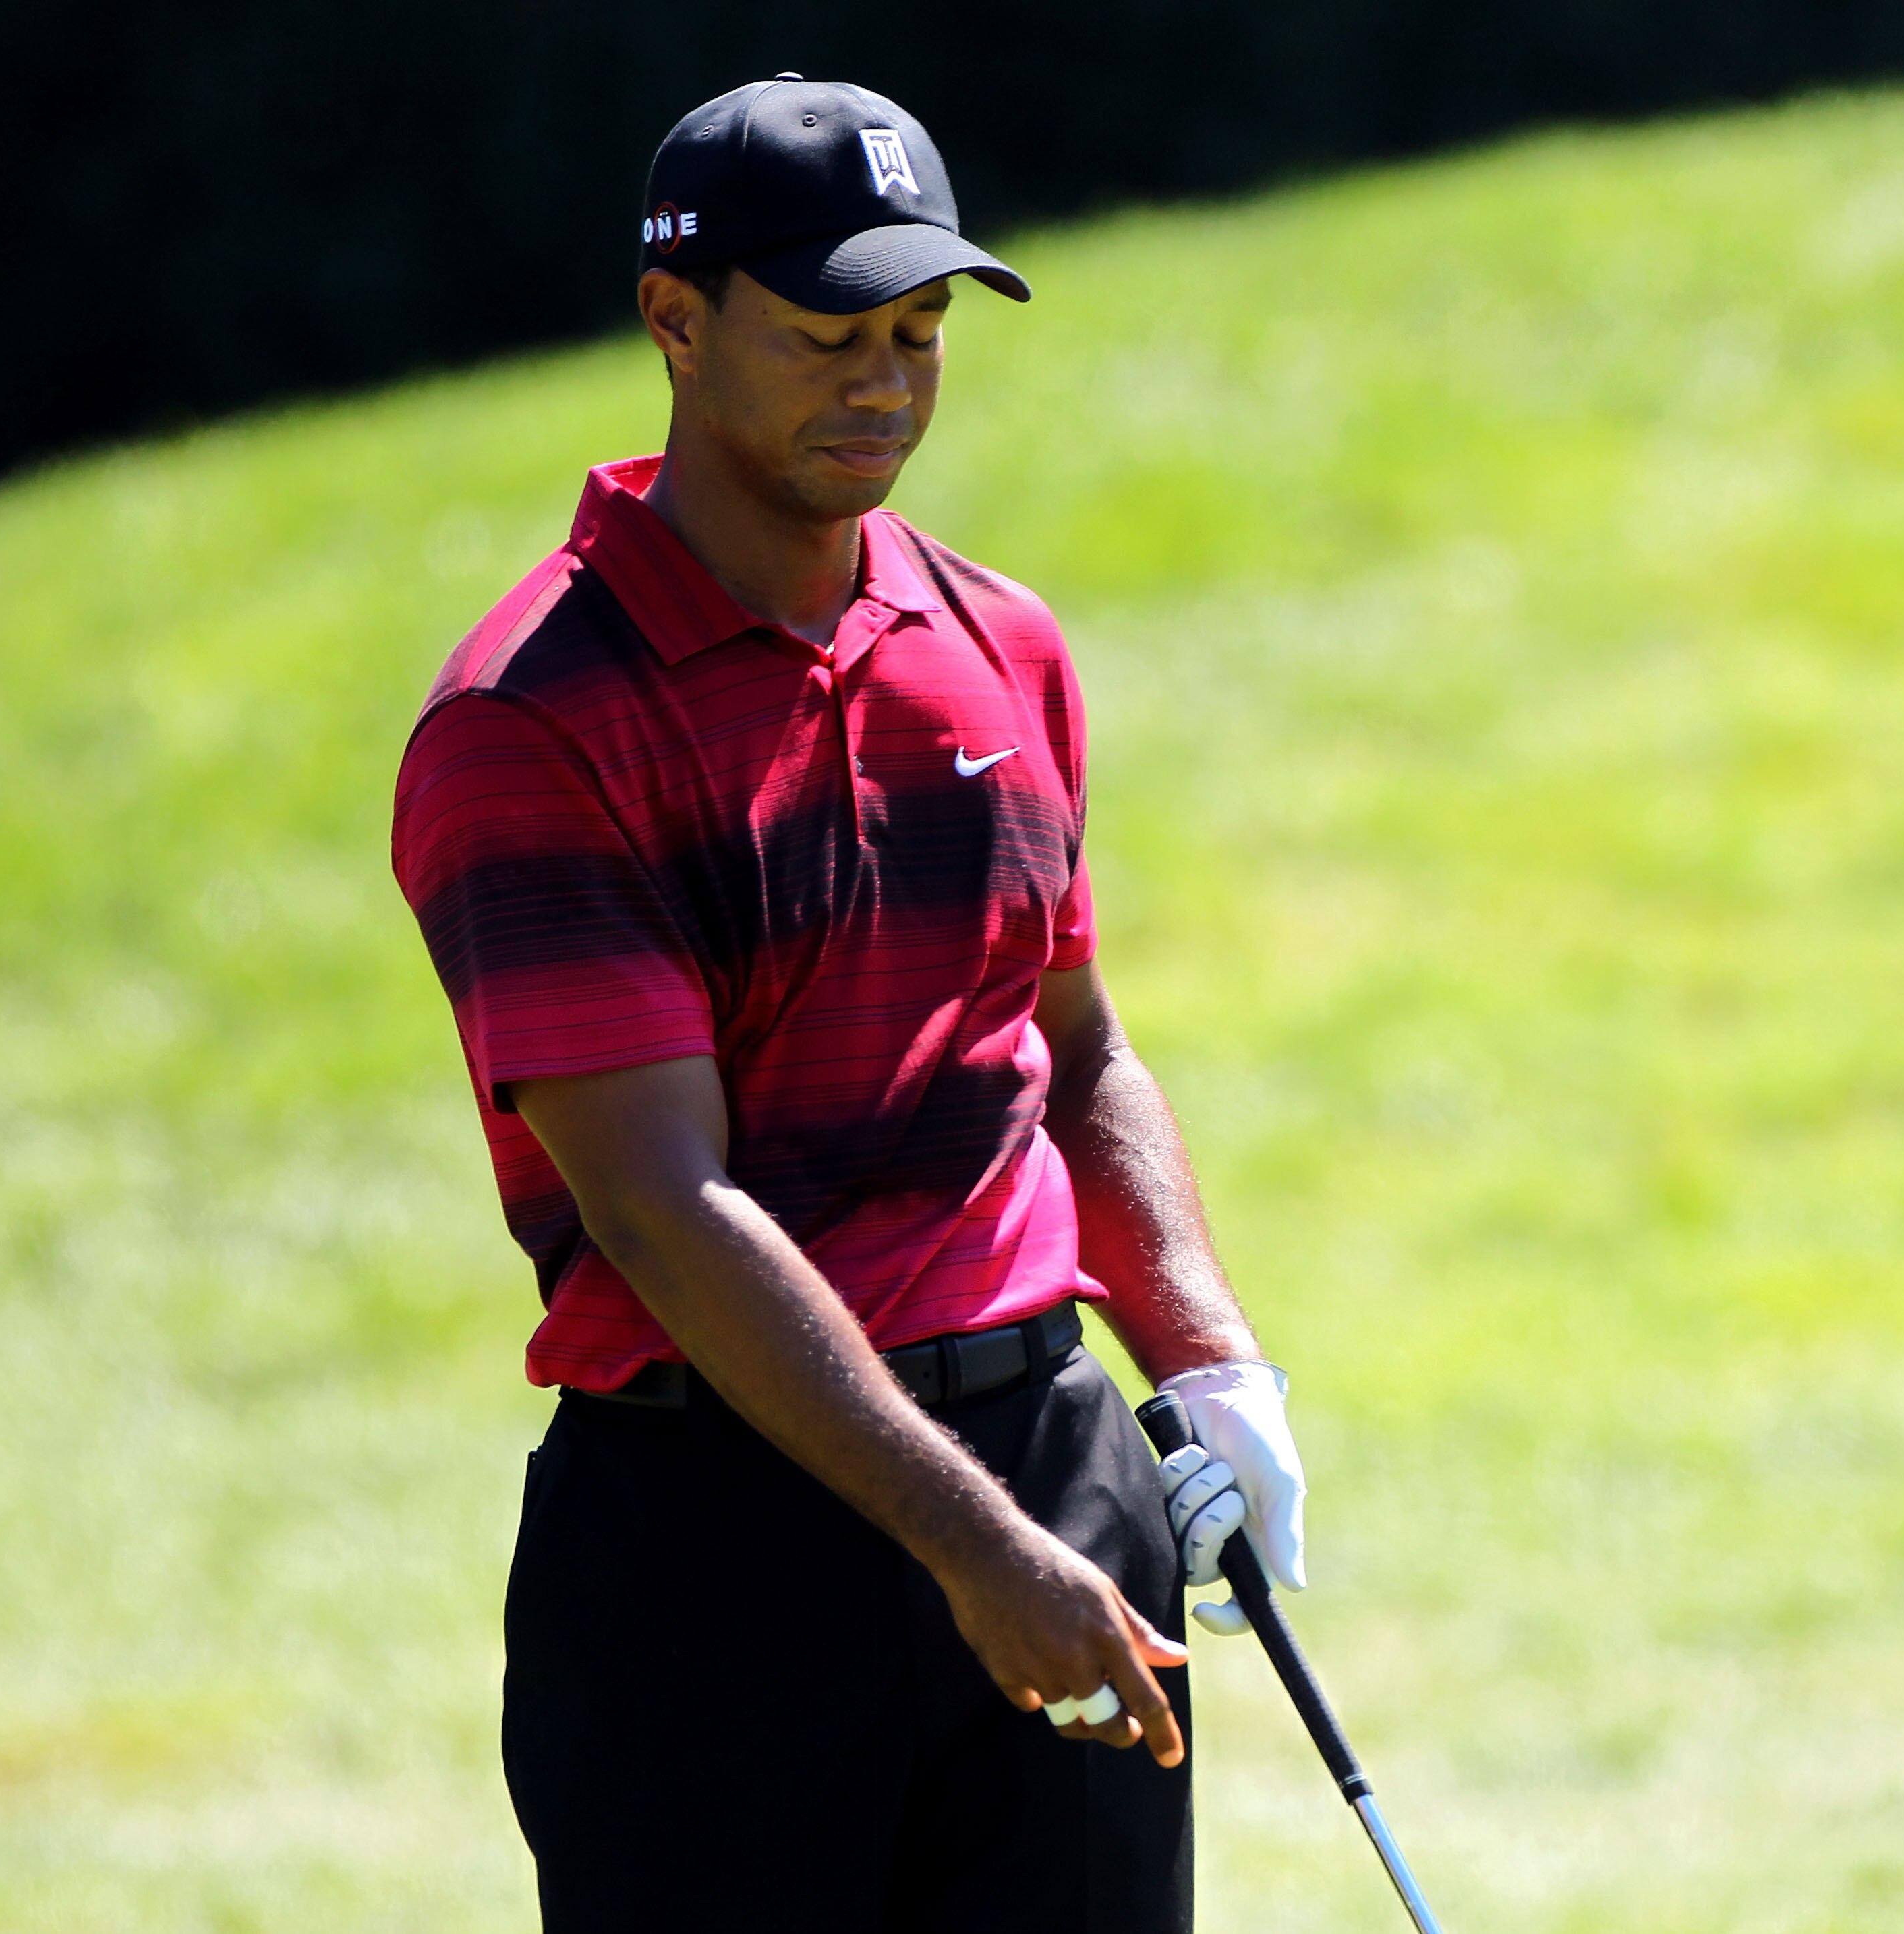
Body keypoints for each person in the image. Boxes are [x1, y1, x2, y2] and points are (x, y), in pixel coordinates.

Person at [388, 76, 1307, 1933]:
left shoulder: (999, 641)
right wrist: (981, 1548)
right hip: (718, 1552)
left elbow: (1076, 1047)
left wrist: (1205, 1358)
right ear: (674, 321)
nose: (883, 378)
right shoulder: (531, 721)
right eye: (825, 333)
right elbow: (661, 1205)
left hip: (1052, 1462)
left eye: (918, 329)